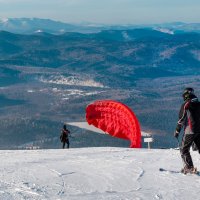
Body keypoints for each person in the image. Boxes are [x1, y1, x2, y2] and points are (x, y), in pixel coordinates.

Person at [174, 87, 200, 174]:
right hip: (199, 131)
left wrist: (177, 131)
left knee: (184, 149)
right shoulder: (199, 103)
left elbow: (181, 119)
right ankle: (189, 166)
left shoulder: (186, 105)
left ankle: (189, 167)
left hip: (190, 131)